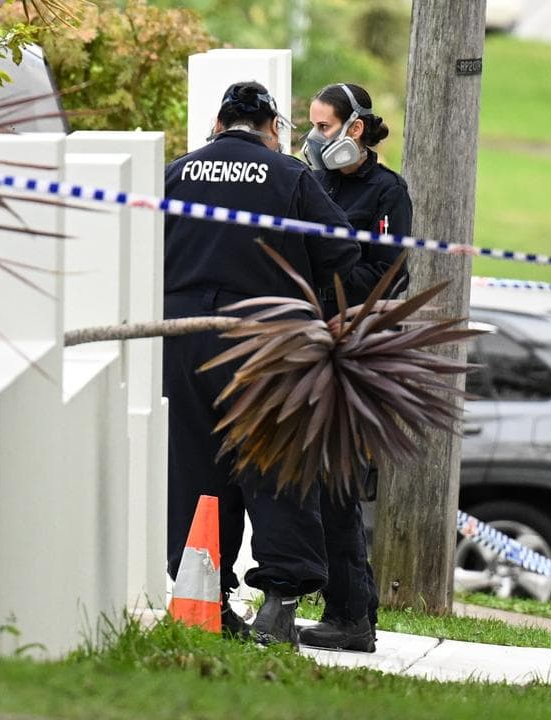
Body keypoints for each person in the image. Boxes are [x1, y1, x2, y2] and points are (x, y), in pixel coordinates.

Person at [163, 81, 360, 647]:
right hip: (266, 343)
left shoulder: (176, 174)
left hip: (184, 340)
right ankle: (279, 604)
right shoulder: (289, 176)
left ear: (217, 124)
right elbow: (342, 251)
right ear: (273, 127)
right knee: (275, 467)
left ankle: (205, 597)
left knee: (196, 469)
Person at [297, 83, 411, 653]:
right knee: (318, 488)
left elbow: (387, 275)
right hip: (309, 343)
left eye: (323, 127)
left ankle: (351, 616)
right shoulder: (313, 183)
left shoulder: (388, 192)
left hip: (355, 353)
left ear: (354, 129)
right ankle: (352, 611)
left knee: (337, 486)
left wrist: (324, 287)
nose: (314, 138)